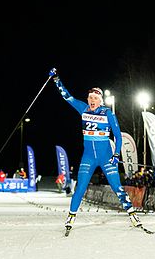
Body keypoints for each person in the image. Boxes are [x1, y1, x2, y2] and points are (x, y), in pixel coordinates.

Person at [49, 67, 142, 231]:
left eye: (95, 98)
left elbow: (118, 136)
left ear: (100, 101)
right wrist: (57, 80)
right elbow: (67, 96)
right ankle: (71, 217)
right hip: (88, 157)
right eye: (90, 97)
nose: (92, 100)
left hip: (106, 157)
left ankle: (132, 214)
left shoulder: (107, 113)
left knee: (117, 187)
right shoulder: (83, 109)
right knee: (81, 188)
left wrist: (116, 154)